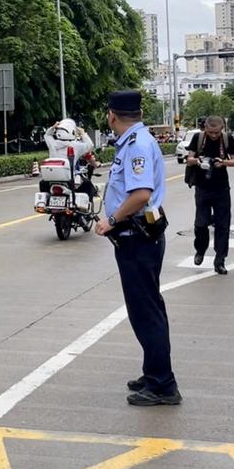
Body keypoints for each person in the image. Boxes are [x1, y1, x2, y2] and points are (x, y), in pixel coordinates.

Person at [95, 91, 181, 407]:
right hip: (138, 236)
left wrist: (111, 220)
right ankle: (154, 372)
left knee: (146, 311)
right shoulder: (136, 141)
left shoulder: (137, 146)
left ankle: (163, 385)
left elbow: (141, 194)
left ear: (112, 116)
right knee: (147, 308)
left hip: (137, 236)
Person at [186, 116, 234, 275]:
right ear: (205, 129)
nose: (214, 135)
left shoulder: (227, 138)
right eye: (211, 132)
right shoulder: (198, 137)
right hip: (202, 187)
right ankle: (200, 249)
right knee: (201, 224)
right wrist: (197, 161)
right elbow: (188, 159)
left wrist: (223, 162)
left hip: (222, 188)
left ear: (222, 128)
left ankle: (220, 260)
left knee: (223, 225)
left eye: (217, 132)